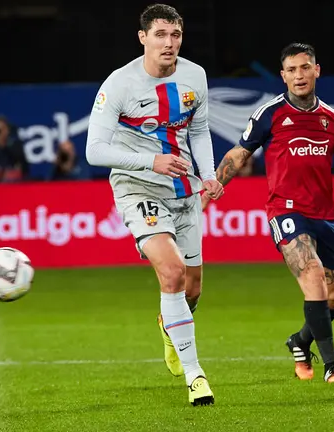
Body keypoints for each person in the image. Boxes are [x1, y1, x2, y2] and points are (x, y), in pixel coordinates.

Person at [85, 4, 222, 406]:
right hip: (137, 186)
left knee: (190, 289)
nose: (169, 43)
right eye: (160, 34)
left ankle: (169, 321)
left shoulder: (194, 75)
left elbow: (198, 130)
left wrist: (209, 174)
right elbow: (94, 151)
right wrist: (151, 161)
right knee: (172, 270)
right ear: (142, 37)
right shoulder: (120, 84)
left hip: (184, 191)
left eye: (175, 35)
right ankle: (196, 376)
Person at [203, 43, 334, 383]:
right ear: (283, 75)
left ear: (316, 70)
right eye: (291, 70)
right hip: (286, 210)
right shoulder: (270, 114)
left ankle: (300, 341)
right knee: (313, 274)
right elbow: (239, 153)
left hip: (325, 215)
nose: (299, 75)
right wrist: (213, 188)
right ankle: (333, 366)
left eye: (305, 68)